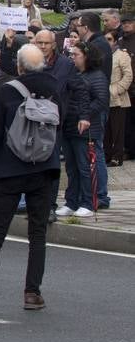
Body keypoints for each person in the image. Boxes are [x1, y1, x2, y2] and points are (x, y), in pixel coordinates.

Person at [0, 45, 60, 313]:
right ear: (42, 65)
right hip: (44, 168)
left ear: (18, 66)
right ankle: (32, 293)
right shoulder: (54, 88)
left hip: (9, 170)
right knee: (38, 233)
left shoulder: (8, 90)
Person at [58, 39, 107, 219]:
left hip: (86, 129)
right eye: (71, 55)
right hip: (69, 126)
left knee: (85, 167)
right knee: (71, 167)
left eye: (76, 55)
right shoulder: (73, 75)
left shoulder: (97, 76)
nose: (72, 58)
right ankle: (71, 201)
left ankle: (88, 202)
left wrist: (83, 115)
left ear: (86, 57)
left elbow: (101, 101)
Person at [104, 30, 130, 168]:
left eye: (109, 39)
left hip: (118, 98)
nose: (107, 42)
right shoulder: (102, 55)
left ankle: (117, 156)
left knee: (118, 130)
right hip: (104, 97)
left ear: (115, 41)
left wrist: (115, 90)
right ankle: (107, 154)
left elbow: (128, 76)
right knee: (106, 129)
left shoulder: (122, 55)